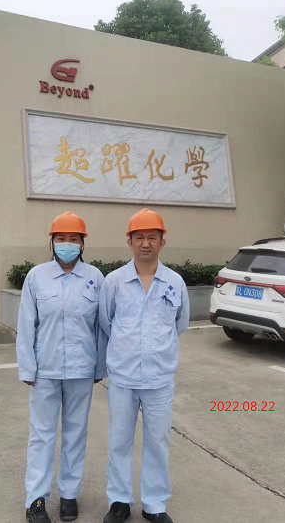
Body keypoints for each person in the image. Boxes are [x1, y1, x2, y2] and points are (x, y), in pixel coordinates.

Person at [99, 208, 190, 523]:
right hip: (123, 377)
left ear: (163, 242)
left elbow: (179, 324)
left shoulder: (174, 282)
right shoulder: (114, 282)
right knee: (119, 441)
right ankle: (119, 502)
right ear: (129, 241)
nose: (146, 243)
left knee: (157, 442)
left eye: (152, 237)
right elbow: (107, 322)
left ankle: (154, 505)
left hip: (160, 378)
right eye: (140, 237)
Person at [17, 211, 107, 523]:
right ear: (52, 242)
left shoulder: (95, 278)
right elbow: (26, 325)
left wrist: (99, 367)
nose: (67, 244)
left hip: (82, 369)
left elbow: (101, 327)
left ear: (82, 243)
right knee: (41, 435)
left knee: (76, 433)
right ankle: (36, 500)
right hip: (45, 369)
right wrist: (27, 368)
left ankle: (69, 494)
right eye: (61, 238)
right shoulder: (36, 277)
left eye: (73, 238)